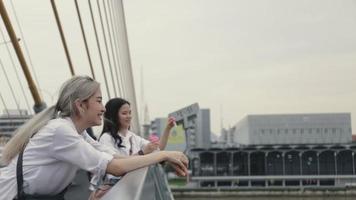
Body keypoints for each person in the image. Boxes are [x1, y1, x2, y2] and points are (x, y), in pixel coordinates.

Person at [0, 76, 188, 200]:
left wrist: (164, 154)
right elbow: (115, 167)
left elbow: (116, 159)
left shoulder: (77, 133)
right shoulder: (61, 131)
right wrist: (162, 156)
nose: (104, 108)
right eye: (98, 101)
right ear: (81, 105)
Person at [89, 98, 176, 199]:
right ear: (114, 115)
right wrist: (142, 152)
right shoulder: (106, 138)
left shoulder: (133, 137)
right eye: (124, 113)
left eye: (130, 112)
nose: (129, 116)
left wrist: (168, 128)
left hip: (130, 188)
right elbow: (115, 164)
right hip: (114, 190)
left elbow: (158, 148)